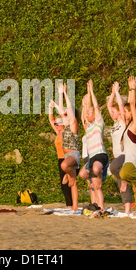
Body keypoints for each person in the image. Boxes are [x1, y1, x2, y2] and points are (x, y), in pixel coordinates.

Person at [79, 80, 109, 211]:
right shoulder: (88, 127)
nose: (88, 114)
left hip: (100, 155)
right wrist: (85, 103)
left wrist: (91, 91)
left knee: (96, 172)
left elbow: (95, 108)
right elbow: (84, 117)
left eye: (90, 113)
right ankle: (96, 206)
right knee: (86, 178)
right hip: (92, 158)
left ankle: (101, 208)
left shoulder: (98, 124)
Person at [50, 83, 80, 211]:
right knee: (72, 184)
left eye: (67, 114)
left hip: (73, 155)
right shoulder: (65, 126)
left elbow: (67, 108)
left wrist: (66, 93)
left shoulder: (73, 125)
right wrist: (60, 94)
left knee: (63, 166)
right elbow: (62, 109)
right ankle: (74, 207)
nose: (64, 115)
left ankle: (68, 174)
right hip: (67, 156)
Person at [118, 76, 136, 216]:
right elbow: (126, 106)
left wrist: (132, 89)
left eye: (128, 112)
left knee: (123, 174)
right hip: (130, 159)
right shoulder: (127, 125)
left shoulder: (135, 124)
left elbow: (131, 104)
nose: (125, 113)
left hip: (134, 159)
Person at [107, 81, 131, 214]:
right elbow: (109, 105)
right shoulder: (115, 123)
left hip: (125, 154)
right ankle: (127, 208)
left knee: (114, 169)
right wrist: (112, 94)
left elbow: (120, 108)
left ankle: (124, 181)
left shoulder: (123, 121)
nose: (112, 113)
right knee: (121, 183)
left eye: (113, 112)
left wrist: (117, 92)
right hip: (117, 155)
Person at [48, 101, 72, 209]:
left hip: (67, 158)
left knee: (67, 183)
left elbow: (67, 121)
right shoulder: (58, 132)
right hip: (60, 159)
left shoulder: (66, 130)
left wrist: (58, 107)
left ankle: (71, 205)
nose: (56, 125)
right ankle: (69, 204)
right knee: (63, 185)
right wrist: (49, 107)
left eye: (58, 124)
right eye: (56, 124)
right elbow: (51, 120)